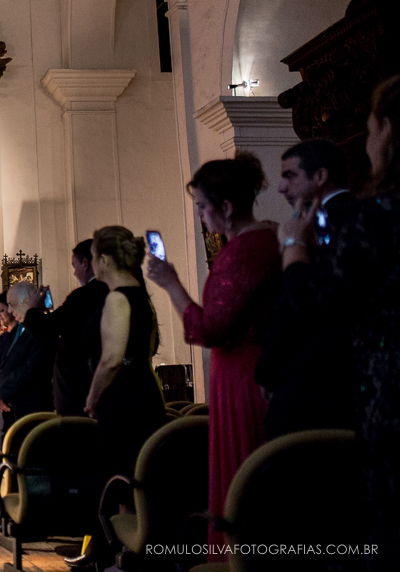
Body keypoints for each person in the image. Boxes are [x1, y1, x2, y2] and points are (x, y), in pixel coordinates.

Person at [278, 76, 400, 568]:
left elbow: (313, 303)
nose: (368, 141)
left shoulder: (376, 215)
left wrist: (293, 245)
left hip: (385, 386)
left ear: (388, 130)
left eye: (371, 129)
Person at [147, 152, 279, 561]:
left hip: (243, 377)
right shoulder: (265, 241)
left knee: (244, 481)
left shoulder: (245, 250)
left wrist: (171, 283)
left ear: (226, 206)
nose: (201, 216)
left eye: (203, 206)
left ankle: (237, 562)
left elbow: (211, 329)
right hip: (244, 370)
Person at [70, 227, 168, 570]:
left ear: (105, 259)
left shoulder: (116, 298)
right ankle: (133, 554)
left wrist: (93, 397)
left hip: (122, 397)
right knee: (136, 474)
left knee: (123, 477)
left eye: (94, 256)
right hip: (144, 391)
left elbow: (111, 359)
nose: (90, 264)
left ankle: (130, 556)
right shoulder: (141, 296)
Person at [257, 139, 356, 438]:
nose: (281, 188)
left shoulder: (332, 219)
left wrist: (269, 369)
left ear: (321, 176)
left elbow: (300, 303)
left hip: (319, 381)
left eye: (290, 176)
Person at [23, 240, 108, 417]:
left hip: (80, 390)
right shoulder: (114, 291)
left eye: (74, 266)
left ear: (85, 264)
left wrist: (32, 310)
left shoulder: (83, 297)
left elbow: (44, 329)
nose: (75, 272)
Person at [0, 282, 55, 436]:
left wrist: (1, 391)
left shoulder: (42, 329)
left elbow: (30, 369)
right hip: (10, 411)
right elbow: (3, 365)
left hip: (31, 411)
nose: (11, 311)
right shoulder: (17, 330)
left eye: (12, 305)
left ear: (27, 302)